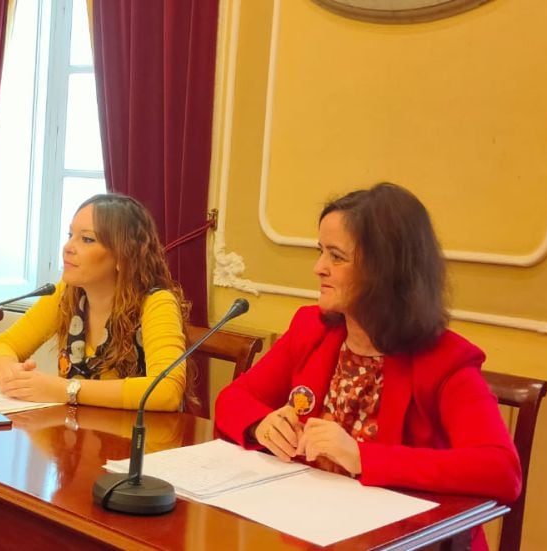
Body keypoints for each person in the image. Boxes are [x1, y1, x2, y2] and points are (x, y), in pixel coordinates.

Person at [214, 183, 520, 550]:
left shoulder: (445, 360)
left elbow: (502, 470)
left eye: (336, 257)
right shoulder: (310, 329)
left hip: (410, 542)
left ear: (384, 270)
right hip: (312, 528)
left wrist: (362, 457)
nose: (318, 268)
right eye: (320, 251)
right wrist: (260, 424)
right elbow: (233, 399)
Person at [0, 193, 189, 410]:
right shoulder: (67, 294)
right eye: (70, 234)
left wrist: (65, 390)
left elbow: (167, 391)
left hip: (138, 438)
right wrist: (8, 372)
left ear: (123, 256)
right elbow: (4, 345)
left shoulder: (157, 303)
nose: (68, 247)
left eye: (87, 239)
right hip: (76, 435)